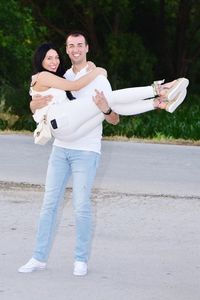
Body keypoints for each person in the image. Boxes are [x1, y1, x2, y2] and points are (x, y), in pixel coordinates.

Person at [18, 33, 189, 276]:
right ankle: (38, 257)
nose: (73, 51)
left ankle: (158, 100)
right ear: (66, 50)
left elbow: (114, 117)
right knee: (49, 205)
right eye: (68, 48)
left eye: (79, 45)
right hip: (61, 145)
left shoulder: (95, 79)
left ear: (87, 48)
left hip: (85, 148)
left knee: (81, 206)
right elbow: (42, 97)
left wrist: (105, 108)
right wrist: (34, 104)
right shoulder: (64, 76)